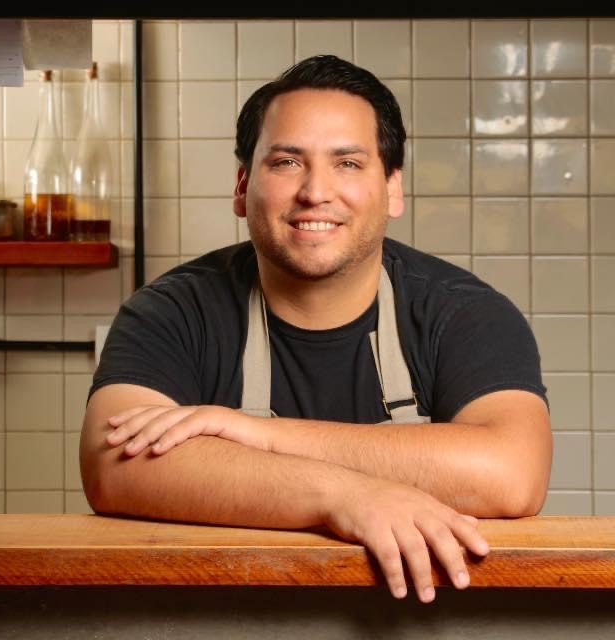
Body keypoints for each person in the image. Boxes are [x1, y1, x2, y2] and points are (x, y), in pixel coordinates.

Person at [80, 55, 552, 604]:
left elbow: (512, 473)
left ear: (392, 188)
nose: (316, 192)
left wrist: (259, 435)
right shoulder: (170, 311)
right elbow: (114, 464)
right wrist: (342, 495)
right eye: (286, 162)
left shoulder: (464, 313)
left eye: (348, 163)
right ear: (242, 185)